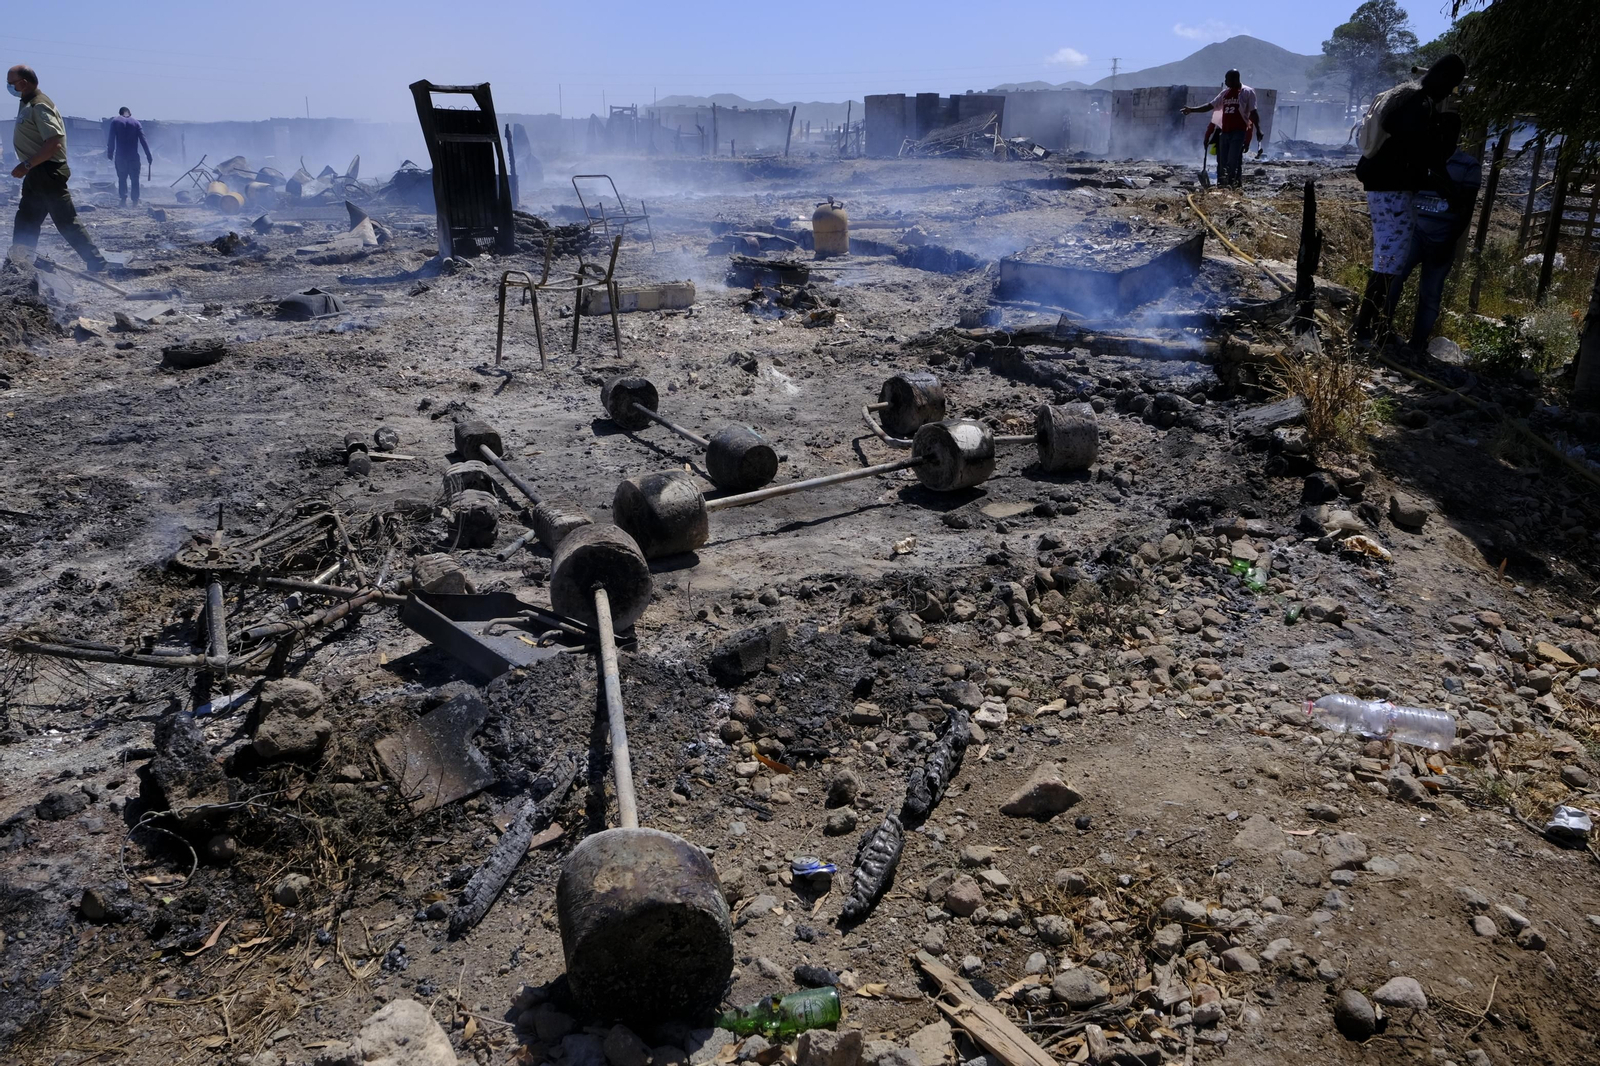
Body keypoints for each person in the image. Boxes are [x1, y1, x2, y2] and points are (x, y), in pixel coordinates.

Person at [1352, 53, 1468, 344]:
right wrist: (1442, 183)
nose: (1448, 93)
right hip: (1391, 190)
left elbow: (1413, 150)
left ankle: (1374, 326)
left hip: (1385, 188)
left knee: (1389, 263)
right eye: (1451, 86)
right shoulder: (1417, 103)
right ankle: (1366, 328)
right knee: (1389, 264)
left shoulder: (1408, 96)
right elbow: (1415, 150)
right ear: (1443, 80)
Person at [1385, 109, 1481, 351]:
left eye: (1444, 132)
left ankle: (1417, 346)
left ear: (1454, 135)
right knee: (1393, 280)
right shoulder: (1420, 159)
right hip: (1414, 233)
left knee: (1430, 295)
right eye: (1435, 131)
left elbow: (1464, 207)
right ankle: (1382, 330)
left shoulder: (1468, 165)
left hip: (1443, 237)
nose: (1438, 136)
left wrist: (1450, 240)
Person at [7, 64, 108, 272]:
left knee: (65, 221)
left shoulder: (40, 105)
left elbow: (54, 143)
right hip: (36, 173)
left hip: (47, 171)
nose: (9, 87)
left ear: (23, 83)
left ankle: (97, 263)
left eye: (11, 84)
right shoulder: (27, 103)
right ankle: (19, 263)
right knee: (26, 219)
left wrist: (27, 164)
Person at [1182, 70, 1261, 189]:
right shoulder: (1225, 94)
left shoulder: (1247, 92)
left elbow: (1253, 113)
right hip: (1224, 133)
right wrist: (1192, 110)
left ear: (1235, 79)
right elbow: (1210, 106)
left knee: (1233, 161)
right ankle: (1223, 185)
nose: (1225, 82)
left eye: (1227, 79)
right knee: (1222, 162)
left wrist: (1258, 130)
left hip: (1239, 132)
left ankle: (1232, 186)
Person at [106, 106, 152, 207]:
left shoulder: (115, 121)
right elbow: (143, 140)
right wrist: (148, 154)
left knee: (122, 178)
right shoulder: (136, 123)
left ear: (120, 113)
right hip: (133, 156)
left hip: (120, 156)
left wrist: (110, 152)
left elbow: (111, 139)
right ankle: (135, 201)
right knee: (135, 179)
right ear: (129, 113)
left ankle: (123, 200)